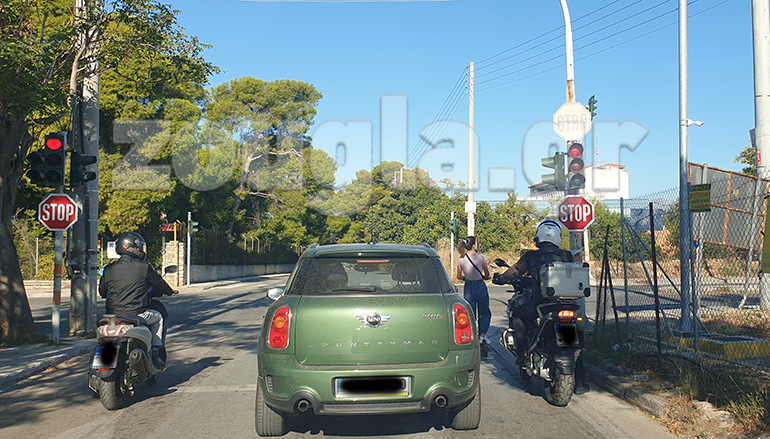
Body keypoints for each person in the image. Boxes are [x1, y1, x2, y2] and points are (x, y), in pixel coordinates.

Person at [492, 219, 590, 395]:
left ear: (539, 237)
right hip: (569, 304)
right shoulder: (566, 255)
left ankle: (522, 356)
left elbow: (514, 272)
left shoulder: (531, 256)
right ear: (557, 238)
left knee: (518, 316)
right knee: (576, 339)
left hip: (542, 305)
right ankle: (581, 381)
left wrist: (500, 278)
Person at [99, 232, 176, 370]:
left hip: (112, 317)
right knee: (158, 317)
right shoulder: (143, 267)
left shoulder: (109, 269)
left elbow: (102, 292)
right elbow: (160, 284)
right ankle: (156, 352)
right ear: (136, 247)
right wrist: (170, 291)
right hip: (136, 314)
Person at [456, 236, 492, 354]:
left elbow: (458, 276)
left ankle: (471, 337)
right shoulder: (481, 257)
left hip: (468, 287)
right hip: (480, 286)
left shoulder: (461, 259)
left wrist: (465, 277)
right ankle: (482, 336)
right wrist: (485, 276)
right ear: (474, 245)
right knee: (485, 312)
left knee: (471, 314)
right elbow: (486, 274)